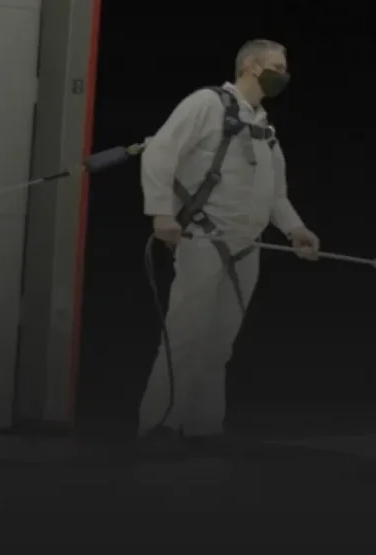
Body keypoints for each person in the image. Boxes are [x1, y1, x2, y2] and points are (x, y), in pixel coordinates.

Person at [134, 38, 321, 451]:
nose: (284, 73)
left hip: (246, 246)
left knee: (219, 340)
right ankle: (159, 425)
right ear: (253, 66)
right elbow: (160, 151)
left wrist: (295, 230)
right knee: (185, 333)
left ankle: (202, 425)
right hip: (204, 238)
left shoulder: (265, 129)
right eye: (279, 64)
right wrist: (161, 213)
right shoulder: (207, 104)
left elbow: (276, 194)